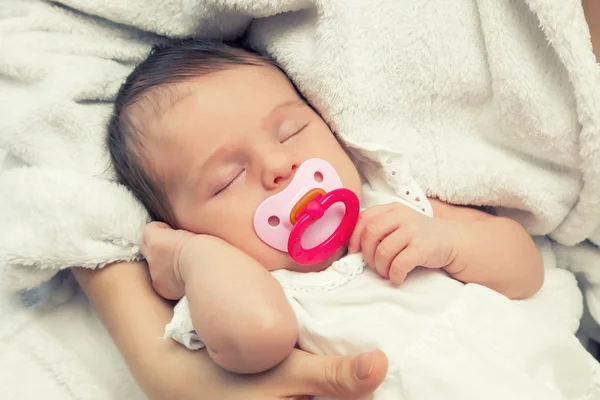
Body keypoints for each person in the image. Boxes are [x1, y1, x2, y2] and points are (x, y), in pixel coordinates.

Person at [66, 1, 599, 399]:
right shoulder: (250, 288)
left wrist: (449, 241)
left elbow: (524, 270)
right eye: (228, 180)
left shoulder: (392, 200)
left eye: (292, 130)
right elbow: (258, 337)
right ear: (185, 226)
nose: (279, 168)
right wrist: (192, 260)